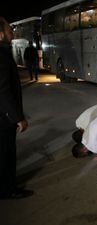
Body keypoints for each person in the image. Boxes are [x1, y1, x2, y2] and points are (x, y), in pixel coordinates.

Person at [0, 17, 33, 199]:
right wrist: (17, 118)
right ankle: (8, 190)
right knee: (6, 155)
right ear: (0, 35)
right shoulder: (1, 56)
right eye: (9, 30)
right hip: (3, 120)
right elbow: (3, 91)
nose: (12, 33)